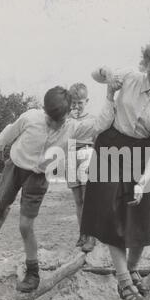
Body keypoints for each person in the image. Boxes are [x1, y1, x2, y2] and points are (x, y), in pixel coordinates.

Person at [0, 86, 115, 292]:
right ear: (44, 110)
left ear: (68, 114)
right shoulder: (31, 117)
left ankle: (33, 272)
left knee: (25, 225)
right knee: (2, 205)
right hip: (16, 166)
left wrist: (110, 97)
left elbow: (101, 124)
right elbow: (11, 130)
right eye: (50, 119)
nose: (55, 125)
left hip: (38, 176)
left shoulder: (73, 127)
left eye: (60, 120)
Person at [81, 42, 150, 300]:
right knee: (111, 215)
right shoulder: (130, 77)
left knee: (141, 218)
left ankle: (133, 267)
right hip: (110, 145)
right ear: (145, 67)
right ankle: (124, 280)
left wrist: (145, 179)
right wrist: (105, 72)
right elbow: (96, 75)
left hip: (142, 155)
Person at [67, 82, 96, 252]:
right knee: (78, 200)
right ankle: (82, 233)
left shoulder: (92, 119)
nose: (77, 106)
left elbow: (98, 139)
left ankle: (91, 236)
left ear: (87, 101)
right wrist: (69, 119)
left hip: (87, 153)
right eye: (73, 102)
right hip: (70, 155)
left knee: (88, 199)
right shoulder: (67, 119)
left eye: (80, 102)